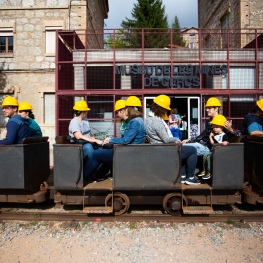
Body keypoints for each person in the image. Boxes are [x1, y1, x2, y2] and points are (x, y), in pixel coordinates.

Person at [145, 94, 200, 185]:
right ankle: (190, 177)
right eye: (166, 109)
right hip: (165, 150)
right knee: (192, 150)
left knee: (184, 151)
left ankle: (182, 176)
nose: (166, 111)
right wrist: (177, 140)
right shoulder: (156, 121)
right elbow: (166, 139)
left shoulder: (147, 120)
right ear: (161, 109)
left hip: (158, 149)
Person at [68, 100, 113, 185]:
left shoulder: (85, 120)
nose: (87, 112)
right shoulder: (74, 122)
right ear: (82, 112)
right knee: (90, 151)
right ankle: (85, 176)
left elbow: (90, 134)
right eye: (86, 111)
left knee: (103, 150)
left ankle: (97, 173)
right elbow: (79, 136)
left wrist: (97, 141)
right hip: (80, 144)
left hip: (88, 142)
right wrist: (95, 141)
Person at [198, 114, 229, 180]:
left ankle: (209, 171)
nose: (214, 129)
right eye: (214, 127)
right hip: (214, 150)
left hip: (220, 152)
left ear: (222, 127)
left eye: (216, 127)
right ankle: (205, 169)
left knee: (209, 156)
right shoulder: (215, 135)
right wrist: (210, 136)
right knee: (205, 155)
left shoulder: (224, 135)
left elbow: (226, 142)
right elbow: (212, 144)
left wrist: (225, 142)